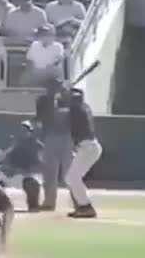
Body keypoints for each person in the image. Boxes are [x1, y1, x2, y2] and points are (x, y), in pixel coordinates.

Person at [34, 83, 74, 212]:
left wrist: (66, 94)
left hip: (67, 138)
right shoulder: (43, 101)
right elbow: (47, 116)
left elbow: (71, 112)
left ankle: (78, 200)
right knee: (50, 173)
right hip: (51, 138)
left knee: (71, 173)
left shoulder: (69, 100)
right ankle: (49, 202)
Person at [0, 121, 44, 212]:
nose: (23, 133)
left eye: (26, 131)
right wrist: (8, 168)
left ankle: (33, 206)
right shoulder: (11, 143)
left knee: (32, 182)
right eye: (21, 130)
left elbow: (41, 166)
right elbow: (1, 161)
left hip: (27, 176)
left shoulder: (37, 146)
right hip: (12, 175)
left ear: (31, 133)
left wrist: (23, 171)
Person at [64, 88, 102, 218]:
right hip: (87, 147)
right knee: (71, 179)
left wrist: (66, 94)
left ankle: (86, 207)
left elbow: (66, 112)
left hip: (88, 148)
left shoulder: (77, 110)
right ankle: (82, 205)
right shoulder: (83, 107)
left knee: (73, 178)